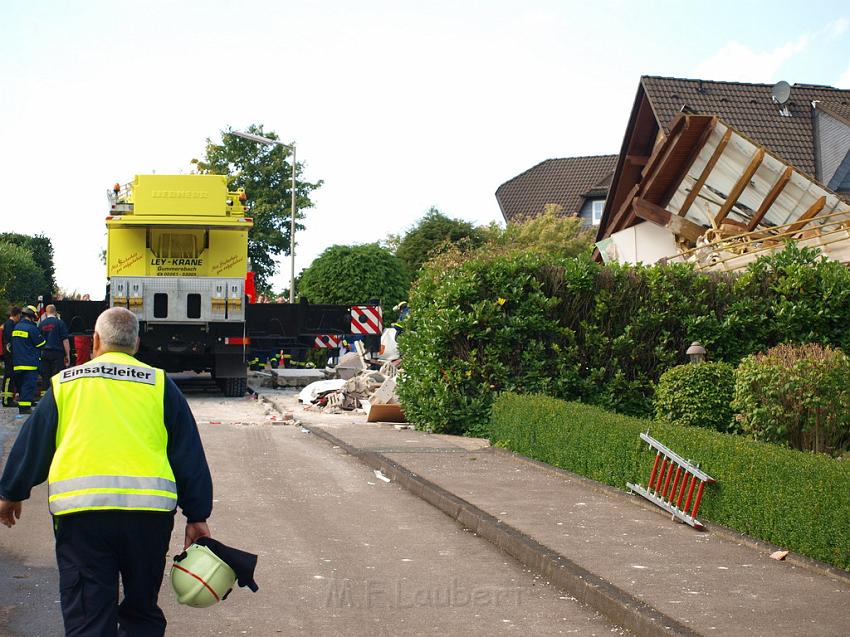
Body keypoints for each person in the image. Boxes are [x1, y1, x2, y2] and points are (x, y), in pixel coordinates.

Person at [0, 307, 214, 636]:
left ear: (96, 340)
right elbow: (188, 453)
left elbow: (34, 442)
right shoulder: (160, 386)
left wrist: (11, 492)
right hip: (148, 517)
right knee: (142, 611)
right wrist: (197, 514)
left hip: (82, 516)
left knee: (88, 616)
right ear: (137, 343)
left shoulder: (65, 385)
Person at [11, 305, 45, 415]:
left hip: (17, 363)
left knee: (21, 386)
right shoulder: (32, 328)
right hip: (29, 363)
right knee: (28, 386)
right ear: (32, 315)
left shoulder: (16, 327)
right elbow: (41, 343)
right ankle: (25, 408)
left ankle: (25, 404)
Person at [38, 304, 71, 380]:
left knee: (46, 377)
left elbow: (38, 340)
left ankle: (45, 391)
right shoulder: (60, 323)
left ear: (46, 313)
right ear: (55, 312)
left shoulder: (41, 324)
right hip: (58, 354)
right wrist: (67, 355)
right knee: (57, 378)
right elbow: (65, 340)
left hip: (44, 354)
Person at [1, 306, 21, 407]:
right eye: (19, 316)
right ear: (17, 315)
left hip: (9, 354)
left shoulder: (8, 324)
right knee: (8, 376)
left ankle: (9, 398)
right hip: (9, 355)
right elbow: (9, 341)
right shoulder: (10, 324)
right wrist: (12, 353)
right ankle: (6, 399)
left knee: (10, 376)